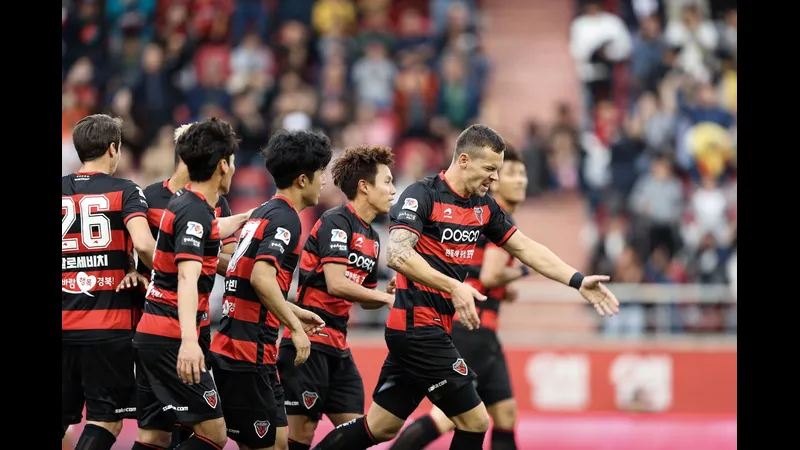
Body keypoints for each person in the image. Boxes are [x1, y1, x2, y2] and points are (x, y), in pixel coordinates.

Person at [311, 124, 620, 450]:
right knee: (475, 421)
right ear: (463, 161)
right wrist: (454, 287)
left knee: (381, 427)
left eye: (498, 171)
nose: (494, 179)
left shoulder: (483, 207)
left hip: (431, 330)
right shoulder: (422, 195)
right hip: (418, 329)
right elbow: (398, 254)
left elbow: (526, 248)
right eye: (489, 169)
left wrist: (577, 280)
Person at [389, 145, 530, 450]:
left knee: (505, 413)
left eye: (523, 173)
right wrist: (521, 273)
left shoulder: (484, 215)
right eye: (511, 173)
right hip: (471, 326)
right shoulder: (492, 215)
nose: (520, 180)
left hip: (485, 330)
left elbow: (478, 273)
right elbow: (489, 275)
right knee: (452, 417)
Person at [209, 130, 333, 450]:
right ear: (303, 180)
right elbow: (261, 279)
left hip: (242, 350)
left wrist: (293, 310)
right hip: (247, 354)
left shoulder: (264, 211)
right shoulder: (286, 220)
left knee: (277, 444)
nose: (324, 182)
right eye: (321, 174)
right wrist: (295, 328)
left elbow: (248, 277)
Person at [134, 122, 252, 448]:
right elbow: (187, 278)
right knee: (214, 433)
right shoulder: (196, 212)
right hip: (172, 336)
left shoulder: (189, 203)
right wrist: (189, 342)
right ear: (222, 166)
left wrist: (246, 217)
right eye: (232, 159)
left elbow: (211, 227)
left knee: (154, 436)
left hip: (154, 330)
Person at [277, 145, 398, 450]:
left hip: (338, 347)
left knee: (355, 433)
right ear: (364, 186)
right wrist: (383, 299)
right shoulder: (336, 222)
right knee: (300, 436)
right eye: (387, 181)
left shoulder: (371, 237)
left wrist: (384, 294)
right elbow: (335, 283)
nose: (393, 190)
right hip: (308, 343)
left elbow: (364, 298)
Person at [62, 114, 157, 450]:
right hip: (107, 323)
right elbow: (145, 245)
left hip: (63, 323)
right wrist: (156, 274)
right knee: (105, 418)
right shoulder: (125, 190)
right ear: (113, 149)